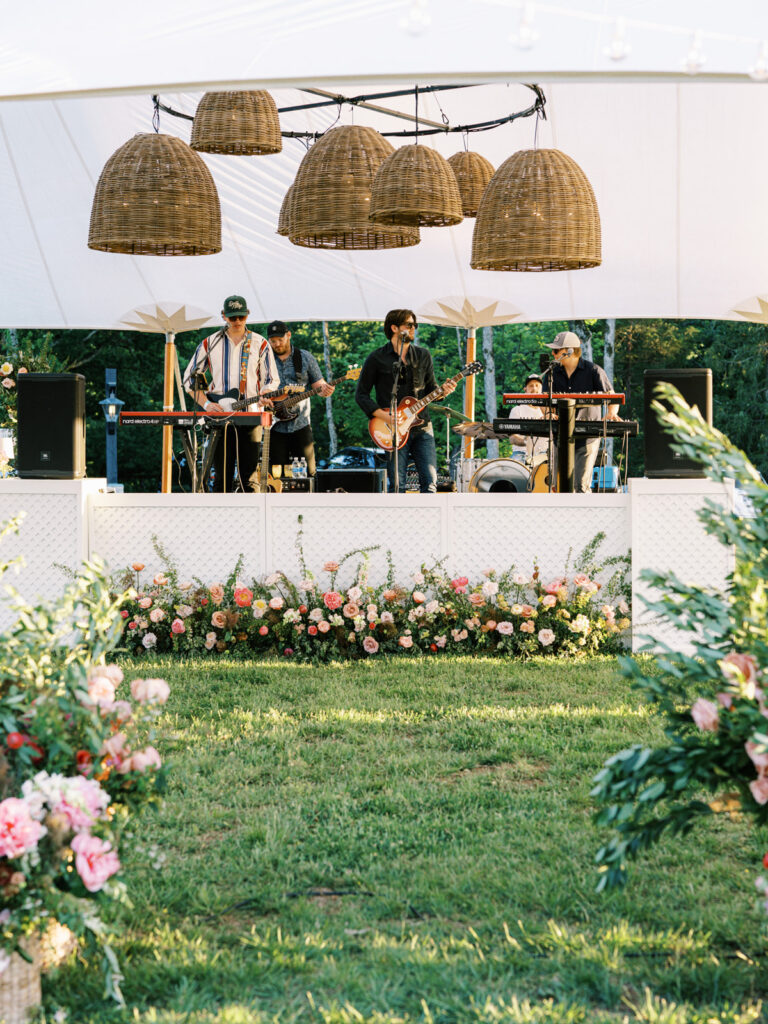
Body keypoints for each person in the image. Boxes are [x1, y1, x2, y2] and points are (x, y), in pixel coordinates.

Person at [183, 295, 280, 492]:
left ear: (247, 315)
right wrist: (206, 404)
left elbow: (272, 380)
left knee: (250, 478)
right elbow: (189, 380)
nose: (237, 322)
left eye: (241, 317)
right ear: (224, 316)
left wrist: (266, 394)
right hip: (218, 417)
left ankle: (251, 519)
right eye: (232, 317)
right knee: (222, 478)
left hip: (251, 415)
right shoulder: (210, 343)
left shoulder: (260, 343)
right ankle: (221, 520)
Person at [355, 309, 455, 493]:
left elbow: (432, 389)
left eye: (414, 325)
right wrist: (383, 416)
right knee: (397, 485)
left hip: (422, 426)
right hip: (392, 430)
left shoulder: (423, 355)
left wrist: (443, 391)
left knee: (430, 482)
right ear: (394, 328)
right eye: (409, 325)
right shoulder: (376, 358)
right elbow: (361, 394)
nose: (413, 328)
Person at [541, 330, 621, 493]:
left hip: (587, 437)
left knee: (580, 486)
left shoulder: (593, 371)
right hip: (560, 436)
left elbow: (612, 396)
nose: (552, 354)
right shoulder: (551, 374)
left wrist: (611, 412)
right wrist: (548, 412)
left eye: (556, 351)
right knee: (556, 485)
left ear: (568, 351)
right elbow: (544, 400)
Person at [266, 320, 335, 477]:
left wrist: (326, 390)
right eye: (273, 341)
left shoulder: (305, 357)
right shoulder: (263, 360)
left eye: (280, 339)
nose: (277, 344)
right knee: (276, 476)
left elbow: (319, 385)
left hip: (301, 425)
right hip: (273, 427)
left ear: (288, 335)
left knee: (308, 475)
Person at [507, 373, 548, 464]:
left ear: (542, 389)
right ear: (525, 389)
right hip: (521, 454)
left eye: (537, 386)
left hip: (544, 455)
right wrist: (527, 442)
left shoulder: (548, 411)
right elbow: (512, 438)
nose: (534, 389)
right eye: (531, 386)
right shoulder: (517, 410)